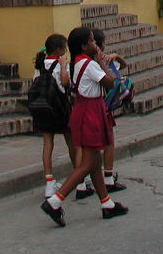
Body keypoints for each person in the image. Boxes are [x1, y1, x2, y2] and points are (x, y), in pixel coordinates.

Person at [41, 27, 127, 226]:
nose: (95, 44)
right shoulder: (89, 64)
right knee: (88, 163)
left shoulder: (77, 62)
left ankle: (107, 203)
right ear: (83, 46)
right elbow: (111, 83)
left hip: (84, 110)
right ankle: (55, 201)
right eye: (91, 41)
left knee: (94, 161)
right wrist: (103, 62)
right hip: (91, 112)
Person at [79, 28, 127, 196]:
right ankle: (107, 178)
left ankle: (84, 183)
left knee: (86, 147)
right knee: (108, 143)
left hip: (86, 108)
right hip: (99, 106)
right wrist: (110, 60)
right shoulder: (95, 64)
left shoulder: (81, 62)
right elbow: (112, 80)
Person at [33, 34, 75, 199]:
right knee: (71, 141)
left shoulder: (40, 65)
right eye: (64, 48)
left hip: (44, 108)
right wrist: (64, 66)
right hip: (60, 108)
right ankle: (79, 176)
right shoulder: (59, 64)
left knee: (47, 143)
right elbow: (65, 82)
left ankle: (49, 182)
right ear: (58, 50)